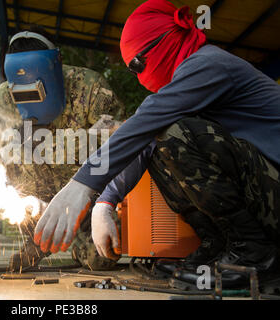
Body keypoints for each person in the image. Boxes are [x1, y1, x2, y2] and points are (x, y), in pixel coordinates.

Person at [34, 0, 280, 290]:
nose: (138, 76)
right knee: (161, 142)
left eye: (137, 64)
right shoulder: (189, 81)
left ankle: (254, 255)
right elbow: (144, 141)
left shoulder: (209, 64)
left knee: (175, 135)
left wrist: (82, 184)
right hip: (264, 192)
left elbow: (144, 124)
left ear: (164, 42)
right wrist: (104, 202)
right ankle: (219, 245)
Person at [0, 27, 125, 271]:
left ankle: (73, 236)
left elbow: (119, 149)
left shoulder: (89, 87)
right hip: (35, 200)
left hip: (86, 199)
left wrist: (105, 205)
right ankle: (39, 235)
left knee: (103, 258)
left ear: (57, 65)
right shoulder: (5, 97)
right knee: (9, 147)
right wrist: (12, 198)